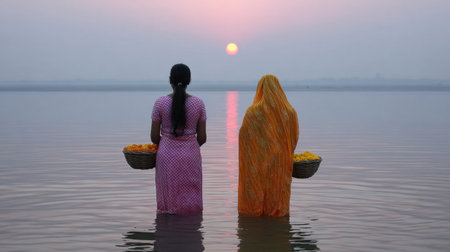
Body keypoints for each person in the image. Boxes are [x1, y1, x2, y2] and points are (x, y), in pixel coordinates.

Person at [238, 74, 299, 217]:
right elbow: (294, 137)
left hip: (256, 163)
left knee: (257, 189)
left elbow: (244, 136)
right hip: (280, 163)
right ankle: (277, 224)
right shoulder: (289, 112)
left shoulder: (253, 112)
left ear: (260, 90)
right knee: (277, 192)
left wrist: (259, 149)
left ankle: (253, 219)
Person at [151, 63, 207, 215]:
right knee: (191, 202)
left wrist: (166, 144)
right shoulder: (198, 104)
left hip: (166, 156)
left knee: (167, 205)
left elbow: (154, 136)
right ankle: (192, 234)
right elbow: (202, 138)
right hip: (191, 156)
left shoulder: (160, 103)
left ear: (170, 80)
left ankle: (167, 234)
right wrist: (189, 145)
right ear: (189, 81)